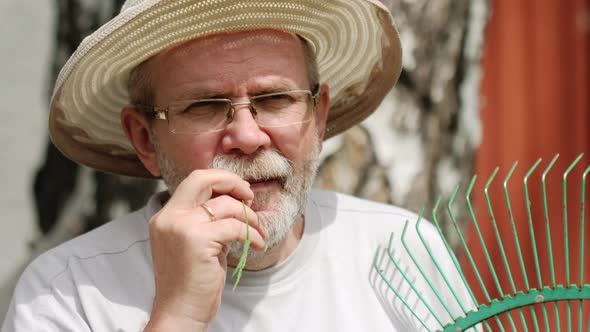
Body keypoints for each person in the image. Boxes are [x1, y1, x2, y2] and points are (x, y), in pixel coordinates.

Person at [3, 1, 473, 331]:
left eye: (274, 99)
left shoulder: (398, 250)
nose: (248, 136)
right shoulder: (67, 292)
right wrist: (178, 318)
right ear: (145, 138)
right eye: (204, 107)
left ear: (319, 115)